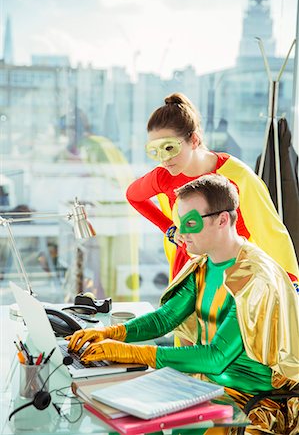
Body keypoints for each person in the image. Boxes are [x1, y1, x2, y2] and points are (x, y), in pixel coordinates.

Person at [68, 174, 299, 435]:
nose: (181, 232)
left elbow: (216, 357)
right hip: (201, 387)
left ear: (223, 220)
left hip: (248, 404)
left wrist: (126, 352)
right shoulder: (203, 264)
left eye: (191, 223)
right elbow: (164, 319)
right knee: (113, 420)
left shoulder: (255, 277)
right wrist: (109, 333)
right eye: (180, 222)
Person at [126, 93, 298, 286]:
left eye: (169, 148)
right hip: (189, 271)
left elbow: (270, 231)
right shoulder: (163, 176)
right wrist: (170, 229)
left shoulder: (237, 176)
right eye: (154, 151)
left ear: (194, 140)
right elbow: (133, 196)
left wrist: (291, 282)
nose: (163, 159)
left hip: (235, 274)